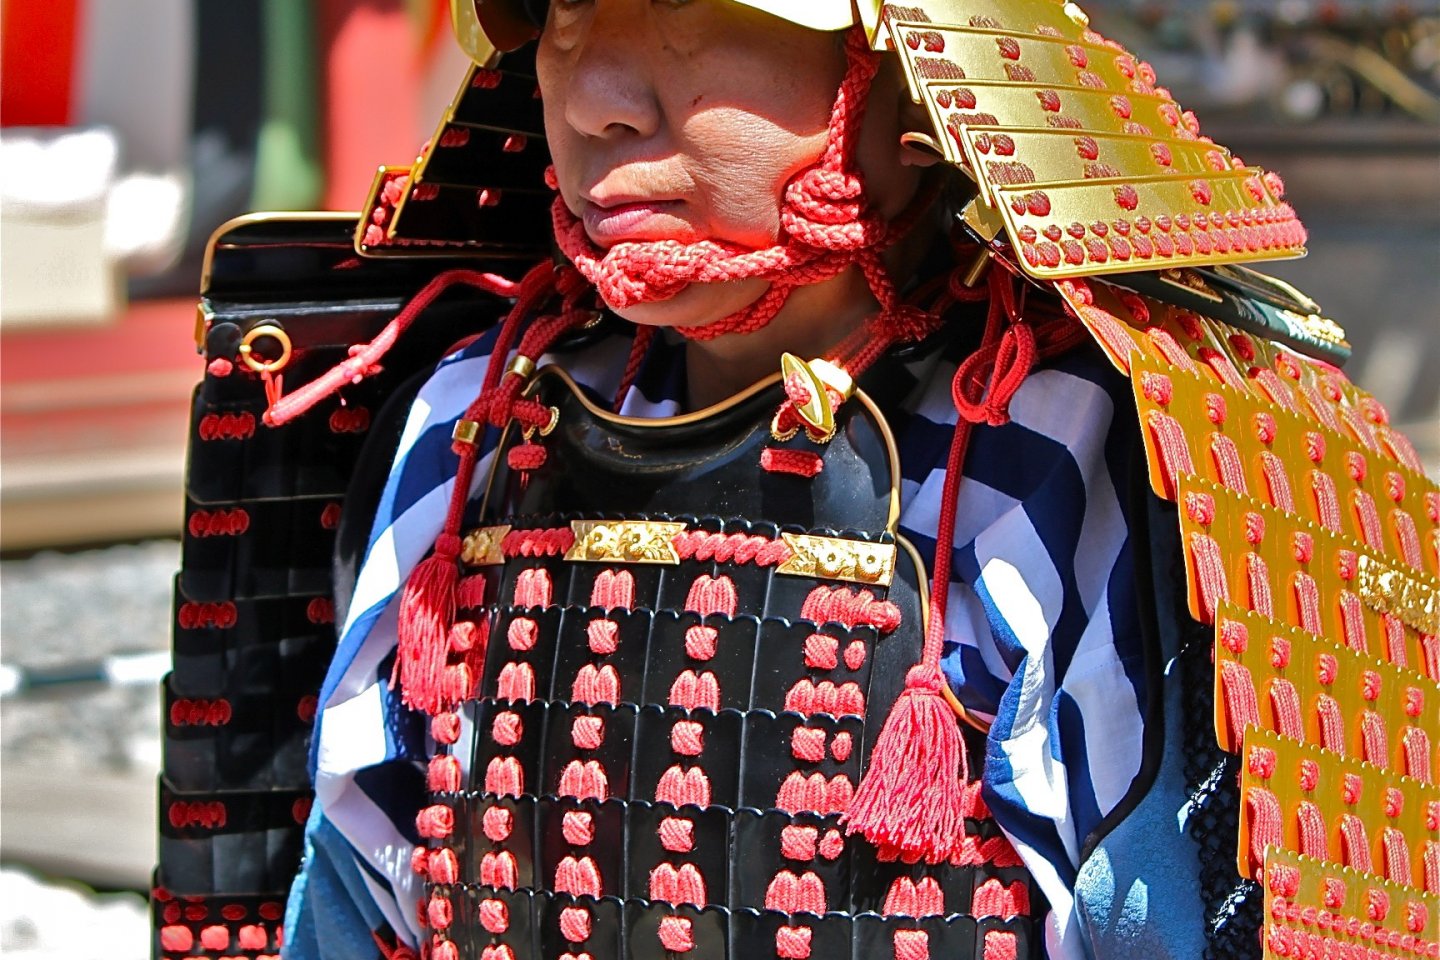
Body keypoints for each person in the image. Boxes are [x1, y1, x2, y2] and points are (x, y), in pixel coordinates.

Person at [165, 2, 1438, 959]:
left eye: (692, 15)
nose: (598, 93)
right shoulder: (466, 419)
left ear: (915, 75)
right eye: (557, 14)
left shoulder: (1083, 446)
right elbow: (354, 891)